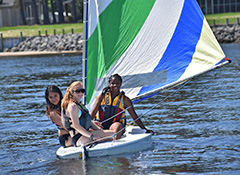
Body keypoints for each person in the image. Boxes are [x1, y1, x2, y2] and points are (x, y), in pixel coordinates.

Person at [90, 74, 155, 139]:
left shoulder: (125, 100)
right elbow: (93, 112)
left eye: (117, 83)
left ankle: (111, 141)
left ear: (121, 84)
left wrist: (144, 129)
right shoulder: (102, 96)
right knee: (90, 129)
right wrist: (87, 124)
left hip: (115, 125)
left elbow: (134, 116)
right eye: (113, 83)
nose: (115, 85)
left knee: (117, 128)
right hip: (101, 125)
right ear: (109, 84)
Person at [61, 81, 115, 147]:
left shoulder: (79, 105)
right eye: (78, 91)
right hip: (79, 138)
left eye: (82, 91)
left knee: (113, 133)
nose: (80, 93)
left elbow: (88, 121)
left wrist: (100, 131)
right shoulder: (72, 106)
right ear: (72, 92)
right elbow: (76, 126)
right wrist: (91, 136)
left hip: (84, 135)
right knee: (114, 134)